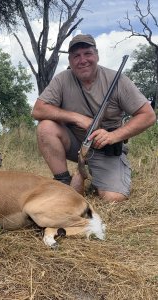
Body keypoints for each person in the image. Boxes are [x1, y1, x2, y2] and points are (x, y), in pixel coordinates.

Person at [31, 34, 156, 203]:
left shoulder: (117, 80)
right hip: (76, 143)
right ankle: (63, 181)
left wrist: (113, 136)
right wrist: (76, 118)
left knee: (114, 198)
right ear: (70, 61)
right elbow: (38, 110)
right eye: (76, 56)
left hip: (106, 148)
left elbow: (148, 115)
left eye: (87, 54)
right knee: (45, 127)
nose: (82, 60)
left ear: (96, 55)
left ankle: (94, 177)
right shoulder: (62, 79)